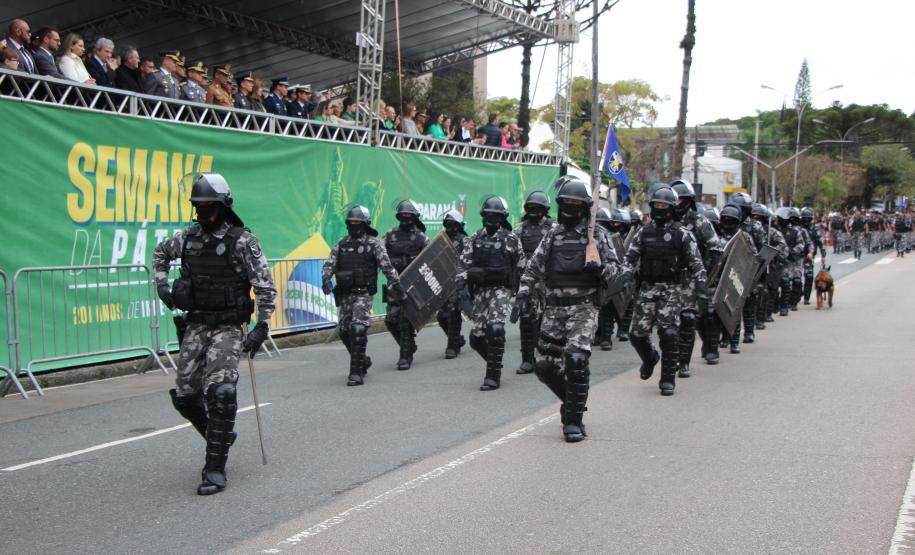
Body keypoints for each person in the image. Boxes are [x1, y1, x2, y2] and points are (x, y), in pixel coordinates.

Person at [152, 173, 277, 496]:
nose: (203, 213)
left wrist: (262, 326)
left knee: (220, 392)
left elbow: (264, 286)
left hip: (227, 327)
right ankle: (217, 432)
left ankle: (215, 470)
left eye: (209, 207)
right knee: (184, 396)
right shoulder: (187, 238)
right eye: (199, 207)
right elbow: (160, 254)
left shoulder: (241, 242)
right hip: (195, 325)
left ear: (223, 207)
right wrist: (163, 286)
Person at [517, 178, 625, 441]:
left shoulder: (597, 236)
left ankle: (574, 421)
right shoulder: (552, 235)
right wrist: (523, 292)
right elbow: (534, 266)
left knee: (576, 359)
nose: (569, 208)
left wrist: (600, 268)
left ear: (585, 207)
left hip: (583, 308)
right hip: (553, 309)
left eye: (575, 204)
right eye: (565, 203)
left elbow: (618, 272)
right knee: (543, 366)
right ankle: (572, 400)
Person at [626, 186, 706, 396]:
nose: (660, 209)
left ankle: (667, 379)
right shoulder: (643, 232)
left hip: (671, 290)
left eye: (664, 206)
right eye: (657, 206)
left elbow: (697, 265)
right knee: (636, 334)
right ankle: (650, 358)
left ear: (671, 208)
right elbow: (629, 260)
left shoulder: (682, 234)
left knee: (668, 333)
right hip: (646, 289)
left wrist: (702, 290)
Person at [322, 206, 403, 386]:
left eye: (357, 223)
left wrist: (396, 285)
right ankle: (362, 360)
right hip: (345, 295)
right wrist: (326, 279)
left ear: (365, 224)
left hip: (363, 294)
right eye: (351, 223)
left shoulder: (374, 244)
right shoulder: (341, 244)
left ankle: (356, 373)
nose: (354, 226)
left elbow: (387, 267)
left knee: (358, 329)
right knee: (344, 332)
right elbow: (329, 264)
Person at [455, 196, 523, 391]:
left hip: (501, 291)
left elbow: (522, 268)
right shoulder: (475, 239)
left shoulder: (511, 240)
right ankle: (495, 362)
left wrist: (521, 296)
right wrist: (462, 290)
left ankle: (492, 375)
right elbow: (462, 266)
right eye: (488, 215)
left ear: (502, 218)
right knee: (476, 338)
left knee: (495, 330)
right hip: (480, 293)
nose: (491, 219)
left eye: (495, 216)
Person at [670, 180, 722, 378]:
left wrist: (701, 271)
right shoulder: (662, 221)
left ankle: (683, 362)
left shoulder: (699, 221)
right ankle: (671, 358)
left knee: (688, 319)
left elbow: (715, 248)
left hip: (691, 279)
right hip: (666, 279)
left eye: (680, 198)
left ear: (688, 200)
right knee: (668, 325)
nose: (676, 202)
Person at [381, 200, 429, 370]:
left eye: (408, 216)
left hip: (411, 284)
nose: (405, 219)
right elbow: (379, 254)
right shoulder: (389, 236)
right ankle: (408, 345)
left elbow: (429, 260)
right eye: (402, 216)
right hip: (394, 284)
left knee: (405, 320)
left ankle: (405, 355)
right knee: (391, 320)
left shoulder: (421, 238)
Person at [514, 190, 553, 374]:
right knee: (527, 319)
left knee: (548, 320)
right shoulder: (520, 229)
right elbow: (514, 251)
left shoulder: (553, 228)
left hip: (548, 282)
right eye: (530, 208)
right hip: (528, 281)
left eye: (537, 208)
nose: (533, 211)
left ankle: (546, 357)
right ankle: (527, 359)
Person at [436, 210, 470, 358]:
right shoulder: (441, 239)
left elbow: (470, 261)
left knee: (453, 311)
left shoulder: (464, 240)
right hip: (443, 282)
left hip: (459, 282)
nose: (449, 227)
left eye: (452, 224)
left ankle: (452, 347)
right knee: (441, 316)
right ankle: (457, 340)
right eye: (447, 224)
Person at [800, 207, 826, 304]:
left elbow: (820, 242)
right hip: (797, 257)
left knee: (809, 276)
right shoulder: (798, 228)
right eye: (804, 218)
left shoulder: (814, 229)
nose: (806, 220)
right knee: (796, 278)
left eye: (808, 218)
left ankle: (806, 297)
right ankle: (797, 294)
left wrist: (823, 255)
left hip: (809, 256)